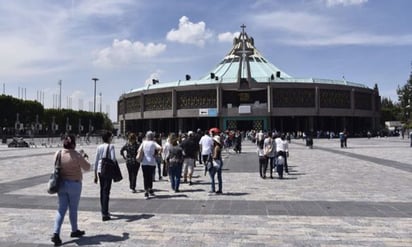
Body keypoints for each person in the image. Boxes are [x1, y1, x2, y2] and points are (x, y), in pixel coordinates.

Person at [51, 135, 91, 246]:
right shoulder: (77, 155)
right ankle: (74, 230)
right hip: (74, 185)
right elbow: (87, 167)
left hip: (61, 184)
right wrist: (83, 156)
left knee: (61, 209)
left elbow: (55, 166)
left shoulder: (58, 153)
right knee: (73, 209)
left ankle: (56, 233)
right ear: (73, 144)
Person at [94, 130, 117, 221]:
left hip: (100, 169)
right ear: (108, 138)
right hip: (107, 170)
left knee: (102, 190)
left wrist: (95, 173)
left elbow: (96, 160)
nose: (112, 138)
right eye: (111, 137)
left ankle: (103, 209)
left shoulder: (99, 147)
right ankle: (105, 213)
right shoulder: (111, 146)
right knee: (106, 191)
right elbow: (114, 159)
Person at [140, 131, 162, 199]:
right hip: (152, 162)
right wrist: (157, 154)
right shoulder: (153, 143)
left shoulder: (143, 142)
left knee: (145, 177)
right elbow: (160, 148)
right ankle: (150, 188)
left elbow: (139, 150)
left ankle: (146, 191)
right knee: (150, 176)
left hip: (144, 162)